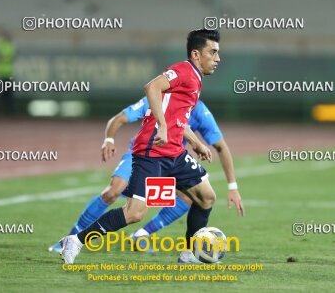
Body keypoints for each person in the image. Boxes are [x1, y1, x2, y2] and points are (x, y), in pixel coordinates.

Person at [60, 29, 222, 264]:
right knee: (134, 213)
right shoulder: (185, 70)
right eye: (213, 53)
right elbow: (151, 87)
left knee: (206, 197)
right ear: (196, 54)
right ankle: (75, 240)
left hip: (174, 152)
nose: (217, 59)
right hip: (152, 153)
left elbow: (179, 118)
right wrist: (163, 127)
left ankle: (190, 253)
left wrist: (196, 142)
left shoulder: (196, 80)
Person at [48, 97, 244, 253]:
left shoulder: (199, 110)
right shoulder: (156, 100)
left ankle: (143, 234)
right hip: (141, 156)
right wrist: (109, 139)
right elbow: (119, 119)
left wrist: (232, 186)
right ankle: (71, 238)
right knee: (112, 192)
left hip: (171, 161)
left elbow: (221, 146)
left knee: (192, 197)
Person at [0, 30, 16, 115]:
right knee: (0, 94)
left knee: (9, 94)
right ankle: (0, 112)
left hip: (8, 73)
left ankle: (10, 112)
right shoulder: (1, 45)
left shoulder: (10, 46)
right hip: (1, 74)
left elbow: (6, 56)